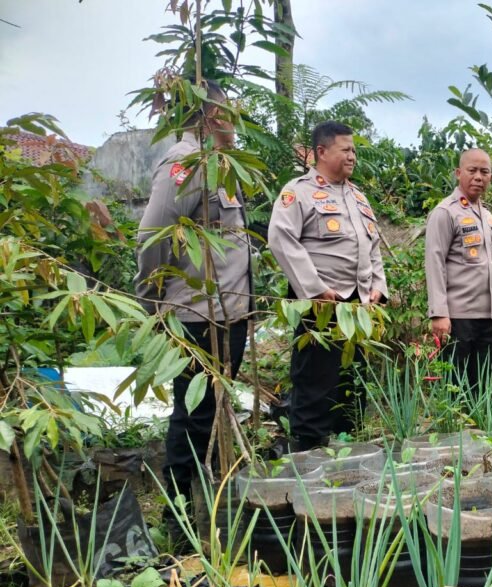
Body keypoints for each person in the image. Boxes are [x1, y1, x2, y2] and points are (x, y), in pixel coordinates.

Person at [134, 80, 251, 521]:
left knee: (213, 411)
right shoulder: (183, 162)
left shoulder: (222, 164)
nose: (237, 122)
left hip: (230, 312)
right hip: (197, 313)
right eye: (230, 113)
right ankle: (178, 513)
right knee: (194, 414)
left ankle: (212, 506)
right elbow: (154, 235)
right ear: (213, 114)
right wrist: (153, 300)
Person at [268, 121, 388, 450]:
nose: (352, 156)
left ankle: (348, 450)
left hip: (358, 309)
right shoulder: (299, 192)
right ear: (321, 152)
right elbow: (280, 238)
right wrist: (315, 288)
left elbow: (373, 247)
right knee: (314, 383)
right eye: (345, 149)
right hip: (320, 307)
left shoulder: (358, 197)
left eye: (354, 150)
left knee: (351, 385)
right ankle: (308, 453)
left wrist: (378, 286)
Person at [425, 148, 492, 395]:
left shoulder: (487, 216)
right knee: (457, 387)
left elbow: (489, 264)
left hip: (485, 316)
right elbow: (434, 263)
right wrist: (439, 313)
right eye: (472, 170)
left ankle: (483, 422)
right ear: (459, 173)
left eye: (485, 172)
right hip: (457, 317)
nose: (478, 177)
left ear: (491, 177)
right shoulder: (445, 212)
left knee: (484, 384)